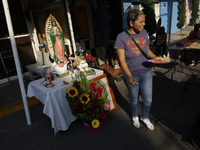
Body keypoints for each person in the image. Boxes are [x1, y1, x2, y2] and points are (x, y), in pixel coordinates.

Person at [114, 6, 157, 130]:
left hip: (147, 72)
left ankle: (144, 117)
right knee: (134, 98)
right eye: (141, 22)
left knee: (148, 100)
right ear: (131, 23)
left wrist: (157, 58)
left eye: (144, 21)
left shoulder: (144, 32)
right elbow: (121, 59)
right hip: (131, 74)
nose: (144, 24)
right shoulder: (121, 37)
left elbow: (147, 50)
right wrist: (129, 76)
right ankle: (134, 116)